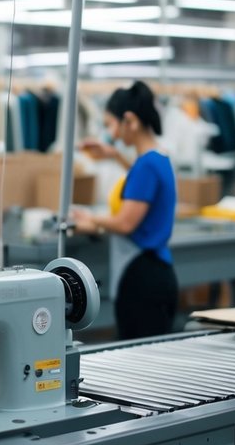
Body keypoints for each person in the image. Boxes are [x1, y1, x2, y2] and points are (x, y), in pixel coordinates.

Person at [72, 81, 178, 340]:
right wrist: (113, 155)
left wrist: (90, 218)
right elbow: (140, 178)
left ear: (129, 120)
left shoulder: (147, 166)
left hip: (142, 278)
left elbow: (125, 223)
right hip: (155, 273)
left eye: (111, 125)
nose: (113, 135)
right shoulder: (157, 158)